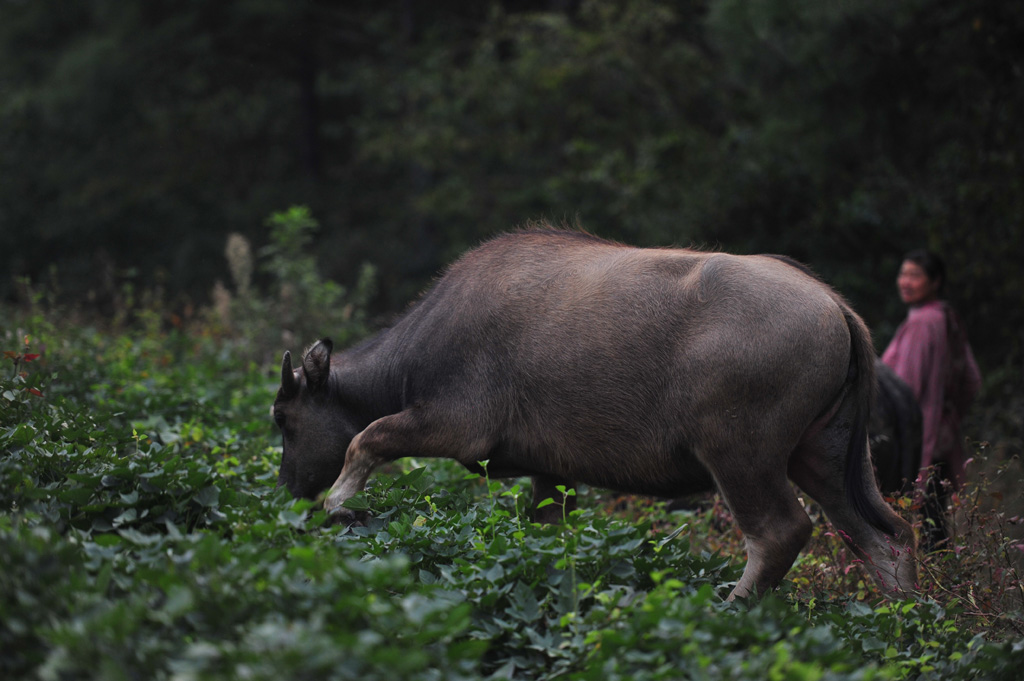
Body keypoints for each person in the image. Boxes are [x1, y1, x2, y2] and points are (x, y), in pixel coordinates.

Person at [881, 250, 982, 550]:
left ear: (935, 281)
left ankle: (933, 594)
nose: (905, 282)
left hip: (917, 440)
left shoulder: (924, 323)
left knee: (923, 524)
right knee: (934, 521)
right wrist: (948, 417)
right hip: (941, 437)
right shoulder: (946, 316)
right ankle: (947, 589)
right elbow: (972, 380)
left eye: (915, 275)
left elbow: (902, 388)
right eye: (903, 274)